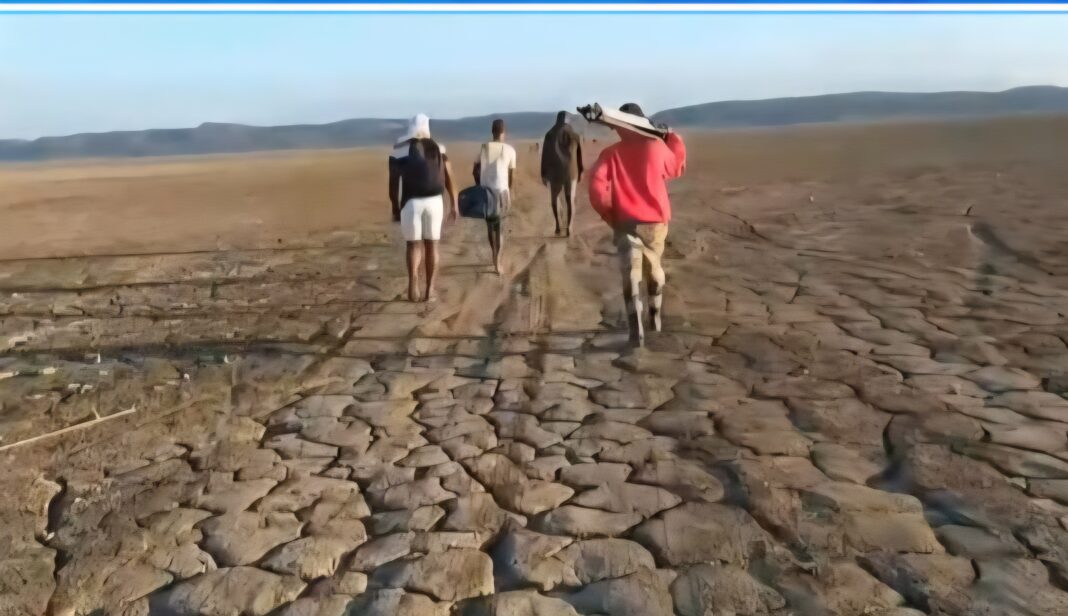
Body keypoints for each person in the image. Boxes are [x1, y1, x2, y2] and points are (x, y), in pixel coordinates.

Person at [588, 103, 686, 344]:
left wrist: (609, 214)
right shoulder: (657, 147)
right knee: (654, 266)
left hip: (625, 221)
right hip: (655, 221)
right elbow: (676, 167)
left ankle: (636, 325)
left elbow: (596, 188)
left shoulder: (611, 154)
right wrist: (671, 136)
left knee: (630, 272)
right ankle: (655, 315)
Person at [388, 113, 459, 302]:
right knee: (432, 245)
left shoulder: (399, 150)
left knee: (413, 245)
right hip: (435, 201)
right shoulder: (440, 148)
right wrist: (455, 204)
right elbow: (449, 178)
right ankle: (430, 290)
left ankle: (412, 288)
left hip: (411, 202)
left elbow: (393, 183)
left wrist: (395, 207)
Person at [473, 118, 517, 274]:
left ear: (492, 132)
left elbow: (475, 168)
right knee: (500, 228)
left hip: (486, 192)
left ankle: (494, 256)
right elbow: (512, 175)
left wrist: (479, 184)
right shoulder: (510, 150)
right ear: (503, 132)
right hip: (501, 192)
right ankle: (497, 261)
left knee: (490, 227)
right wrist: (510, 191)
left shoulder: (484, 148)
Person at [541, 111, 584, 237]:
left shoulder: (549, 134)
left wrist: (543, 173)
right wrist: (581, 171)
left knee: (554, 199)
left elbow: (545, 156)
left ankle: (558, 226)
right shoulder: (575, 135)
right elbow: (579, 156)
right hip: (571, 171)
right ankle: (569, 227)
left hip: (554, 172)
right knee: (570, 199)